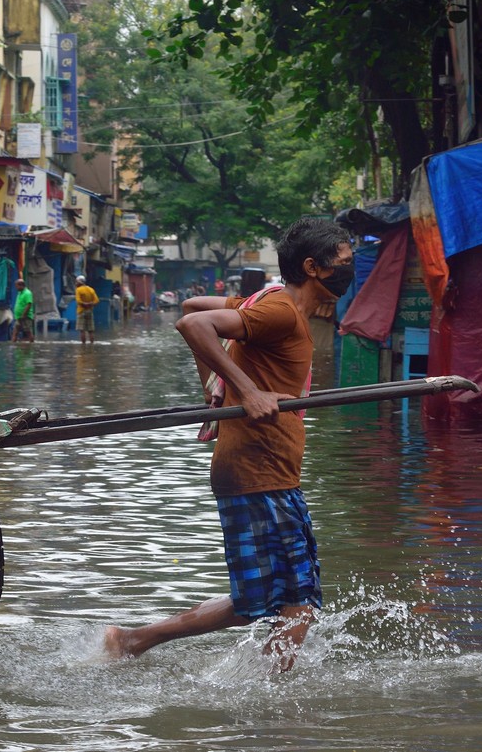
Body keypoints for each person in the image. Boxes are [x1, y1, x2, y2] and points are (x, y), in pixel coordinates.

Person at [103, 218, 355, 672]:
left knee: (260, 598)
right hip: (258, 469)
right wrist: (244, 387)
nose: (350, 270)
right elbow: (195, 323)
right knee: (298, 603)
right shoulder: (279, 310)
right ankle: (273, 711)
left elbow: (194, 303)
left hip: (268, 470)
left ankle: (133, 640)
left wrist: (214, 382)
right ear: (313, 267)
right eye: (345, 262)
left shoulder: (269, 304)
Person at [74, 274, 99, 344]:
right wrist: (90, 304)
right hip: (90, 311)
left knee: (82, 330)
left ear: (79, 282)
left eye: (76, 282)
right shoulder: (91, 289)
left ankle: (83, 345)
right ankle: (92, 344)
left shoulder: (78, 290)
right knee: (91, 330)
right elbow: (96, 300)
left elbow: (78, 301)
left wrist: (84, 304)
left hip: (81, 311)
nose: (76, 283)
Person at [12, 278, 35, 342]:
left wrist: (24, 314)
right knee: (15, 331)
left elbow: (29, 304)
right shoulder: (20, 293)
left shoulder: (27, 293)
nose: (16, 288)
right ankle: (12, 345)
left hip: (26, 317)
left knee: (28, 331)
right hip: (18, 317)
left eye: (17, 286)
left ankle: (32, 344)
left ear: (21, 285)